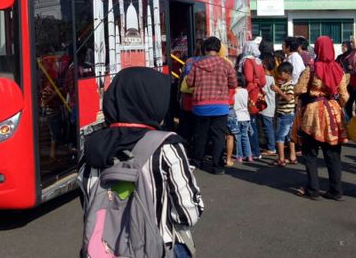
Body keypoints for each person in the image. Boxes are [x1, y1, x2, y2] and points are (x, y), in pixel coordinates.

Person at [79, 67, 204, 256]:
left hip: (103, 249)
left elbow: (89, 204)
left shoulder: (90, 148)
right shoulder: (166, 147)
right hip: (158, 248)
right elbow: (188, 213)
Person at [293, 36, 349, 201]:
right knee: (333, 155)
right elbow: (344, 96)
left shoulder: (311, 68)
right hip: (333, 111)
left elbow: (299, 89)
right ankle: (336, 191)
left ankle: (313, 189)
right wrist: (337, 104)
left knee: (310, 154)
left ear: (317, 48)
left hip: (313, 113)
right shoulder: (339, 69)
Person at [187, 36, 238, 174]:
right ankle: (217, 166)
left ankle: (198, 161)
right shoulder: (226, 64)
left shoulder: (196, 64)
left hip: (201, 106)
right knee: (218, 137)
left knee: (200, 135)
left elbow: (189, 82)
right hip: (220, 106)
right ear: (218, 49)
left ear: (205, 49)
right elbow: (234, 83)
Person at [239, 39, 266, 160]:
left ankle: (251, 151)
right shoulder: (259, 62)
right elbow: (264, 81)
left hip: (249, 93)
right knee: (253, 122)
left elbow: (248, 77)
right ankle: (255, 150)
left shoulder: (246, 61)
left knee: (248, 123)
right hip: (258, 92)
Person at [271, 61, 298, 167]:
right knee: (290, 137)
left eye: (281, 73)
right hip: (287, 114)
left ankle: (281, 159)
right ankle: (292, 156)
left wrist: (278, 90)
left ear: (287, 73)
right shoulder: (285, 85)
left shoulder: (290, 86)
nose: (280, 76)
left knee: (280, 137)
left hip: (285, 115)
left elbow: (288, 98)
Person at [233, 74, 256, 162]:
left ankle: (239, 156)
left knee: (237, 137)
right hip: (246, 116)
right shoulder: (245, 91)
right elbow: (247, 103)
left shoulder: (234, 91)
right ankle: (249, 155)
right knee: (245, 136)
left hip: (237, 116)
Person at [259, 53, 278, 156]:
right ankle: (271, 145)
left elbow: (264, 91)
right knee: (269, 126)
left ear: (265, 65)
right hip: (270, 106)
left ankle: (271, 147)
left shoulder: (265, 78)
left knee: (268, 127)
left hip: (266, 107)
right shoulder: (271, 77)